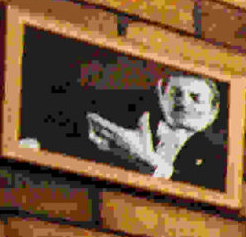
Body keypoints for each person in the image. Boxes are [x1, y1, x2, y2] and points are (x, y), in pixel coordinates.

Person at [84, 71, 228, 190]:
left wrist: (154, 166)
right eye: (176, 94)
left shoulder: (215, 158)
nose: (183, 102)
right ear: (161, 96)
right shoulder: (130, 126)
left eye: (195, 98)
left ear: (212, 112)